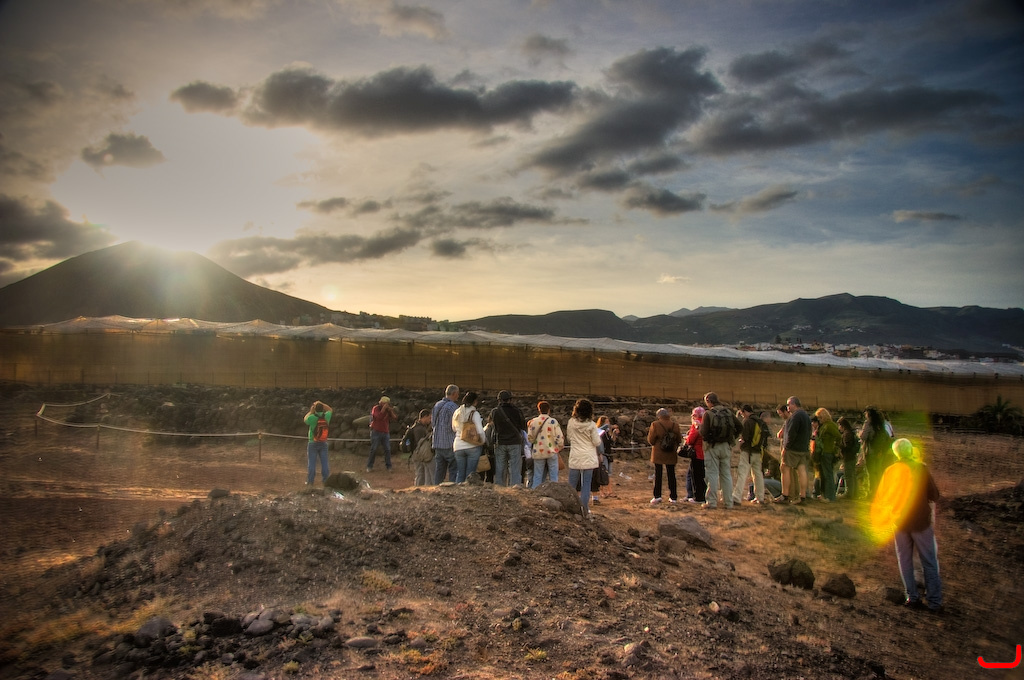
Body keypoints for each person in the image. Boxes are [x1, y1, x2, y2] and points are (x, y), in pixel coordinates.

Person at [874, 438, 943, 613]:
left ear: (896, 453)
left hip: (900, 521)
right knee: (929, 561)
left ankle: (912, 597)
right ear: (910, 450)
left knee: (904, 561)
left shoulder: (890, 471)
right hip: (920, 521)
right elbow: (934, 495)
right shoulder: (921, 469)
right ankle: (934, 602)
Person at [698, 392, 741, 509]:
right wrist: (732, 438)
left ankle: (711, 502)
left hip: (712, 447)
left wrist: (699, 428)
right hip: (726, 446)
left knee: (712, 474)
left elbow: (703, 432)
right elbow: (739, 426)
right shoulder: (728, 412)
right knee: (726, 474)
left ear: (708, 401)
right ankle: (728, 502)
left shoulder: (708, 414)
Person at [566, 398, 602, 519]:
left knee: (572, 485)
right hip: (588, 456)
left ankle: (570, 508)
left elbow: (569, 438)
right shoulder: (591, 425)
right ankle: (584, 509)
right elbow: (596, 442)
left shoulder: (571, 422)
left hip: (575, 455)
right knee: (586, 484)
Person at [778, 396, 812, 504]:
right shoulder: (806, 416)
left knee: (785, 468)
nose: (787, 407)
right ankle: (803, 496)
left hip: (793, 449)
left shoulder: (795, 416)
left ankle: (785, 495)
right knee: (802, 471)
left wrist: (786, 448)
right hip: (804, 448)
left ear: (794, 404)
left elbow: (791, 434)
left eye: (788, 405)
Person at [490, 390, 527, 487]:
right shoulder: (517, 411)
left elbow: (494, 426)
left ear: (499, 400)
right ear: (510, 400)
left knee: (500, 467)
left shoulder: (495, 412)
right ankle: (514, 487)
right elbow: (523, 426)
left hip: (500, 442)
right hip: (515, 442)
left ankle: (500, 487)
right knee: (515, 467)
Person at [647, 408, 682, 504]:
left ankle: (657, 496)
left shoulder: (655, 424)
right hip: (671, 452)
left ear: (659, 416)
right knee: (671, 474)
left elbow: (651, 440)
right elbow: (679, 439)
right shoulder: (675, 425)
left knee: (658, 474)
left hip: (658, 452)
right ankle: (673, 497)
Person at [734, 404, 766, 505]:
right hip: (758, 452)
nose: (742, 416)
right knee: (758, 475)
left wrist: (740, 443)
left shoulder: (747, 422)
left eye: (742, 413)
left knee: (742, 474)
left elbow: (745, 438)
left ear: (744, 411)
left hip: (747, 452)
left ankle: (737, 497)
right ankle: (760, 497)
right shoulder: (760, 422)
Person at [528, 401, 564, 487]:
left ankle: (535, 492)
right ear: (548, 410)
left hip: (538, 451)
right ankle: (554, 492)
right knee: (553, 476)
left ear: (539, 410)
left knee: (538, 475)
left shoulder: (533, 422)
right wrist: (558, 447)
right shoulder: (553, 422)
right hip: (551, 451)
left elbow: (530, 438)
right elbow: (559, 437)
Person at [861, 406, 894, 499]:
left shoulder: (868, 423)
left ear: (868, 414)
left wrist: (859, 434)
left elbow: (863, 436)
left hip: (871, 451)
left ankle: (872, 493)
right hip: (880, 452)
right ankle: (880, 492)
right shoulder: (882, 423)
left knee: (871, 473)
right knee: (878, 472)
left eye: (866, 413)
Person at [452, 391, 485, 483]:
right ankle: (468, 490)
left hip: (458, 445)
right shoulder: (474, 413)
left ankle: (458, 490)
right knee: (470, 474)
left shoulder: (457, 412)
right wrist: (483, 441)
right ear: (475, 401)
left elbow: (454, 428)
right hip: (472, 446)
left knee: (460, 473)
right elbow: (480, 431)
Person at [431, 384, 460, 484]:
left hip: (437, 443)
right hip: (449, 443)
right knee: (453, 470)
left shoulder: (437, 405)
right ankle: (452, 489)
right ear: (454, 393)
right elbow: (457, 425)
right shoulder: (453, 407)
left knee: (439, 471)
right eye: (457, 394)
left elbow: (433, 423)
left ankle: (436, 488)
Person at [303, 400, 333, 485]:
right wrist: (321, 403)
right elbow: (330, 409)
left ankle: (310, 481)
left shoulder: (312, 417)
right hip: (323, 442)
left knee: (312, 463)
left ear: (315, 409)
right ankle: (326, 480)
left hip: (313, 442)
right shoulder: (327, 416)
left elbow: (305, 419)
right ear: (322, 409)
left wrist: (311, 411)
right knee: (324, 462)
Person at [814, 408, 841, 502]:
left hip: (827, 452)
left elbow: (838, 436)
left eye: (820, 418)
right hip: (824, 451)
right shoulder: (826, 425)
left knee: (828, 475)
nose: (819, 420)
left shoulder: (829, 426)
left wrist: (836, 449)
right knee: (826, 475)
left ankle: (830, 497)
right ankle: (827, 495)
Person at [366, 396, 397, 472]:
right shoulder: (376, 408)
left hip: (385, 432)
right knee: (373, 449)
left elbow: (395, 418)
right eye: (385, 403)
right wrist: (383, 409)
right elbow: (378, 416)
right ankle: (369, 466)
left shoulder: (387, 410)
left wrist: (390, 411)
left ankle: (389, 466)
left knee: (387, 449)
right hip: (376, 431)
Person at [684, 406, 706, 503]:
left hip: (697, 453)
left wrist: (687, 438)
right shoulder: (706, 423)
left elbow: (691, 439)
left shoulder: (696, 424)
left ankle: (697, 496)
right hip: (705, 452)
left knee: (695, 476)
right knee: (701, 476)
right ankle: (699, 495)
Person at [837, 416, 861, 500]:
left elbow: (847, 446)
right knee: (852, 475)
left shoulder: (847, 434)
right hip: (852, 457)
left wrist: (839, 445)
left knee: (848, 475)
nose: (839, 428)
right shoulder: (851, 432)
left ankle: (849, 493)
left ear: (842, 425)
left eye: (839, 425)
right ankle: (855, 493)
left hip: (848, 457)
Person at [596, 416, 620, 498]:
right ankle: (601, 491)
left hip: (609, 454)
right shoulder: (599, 432)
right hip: (603, 454)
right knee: (603, 473)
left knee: (609, 474)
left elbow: (611, 442)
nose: (608, 423)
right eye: (606, 422)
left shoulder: (607, 433)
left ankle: (610, 491)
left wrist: (614, 433)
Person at [408, 409, 433, 487]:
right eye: (429, 418)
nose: (430, 420)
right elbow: (420, 443)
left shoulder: (417, 427)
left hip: (416, 453)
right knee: (421, 474)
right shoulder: (419, 429)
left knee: (421, 473)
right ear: (424, 417)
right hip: (419, 453)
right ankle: (418, 489)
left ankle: (420, 488)